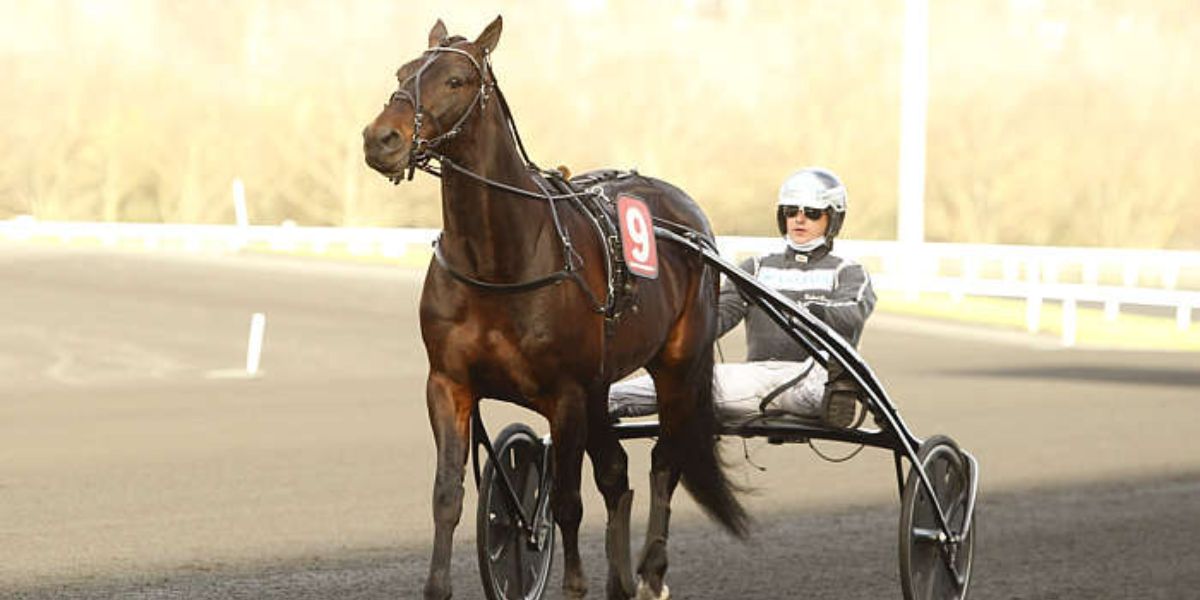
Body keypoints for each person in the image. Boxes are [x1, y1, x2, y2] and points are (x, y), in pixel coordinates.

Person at [609, 167, 876, 428]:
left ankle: (835, 391)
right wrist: (671, 330)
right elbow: (720, 316)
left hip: (815, 371)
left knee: (828, 371)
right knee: (654, 386)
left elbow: (852, 314)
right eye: (791, 211)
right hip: (758, 377)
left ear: (833, 219)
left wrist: (808, 311)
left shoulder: (848, 271)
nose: (799, 219)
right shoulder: (755, 268)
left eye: (812, 213)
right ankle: (603, 401)